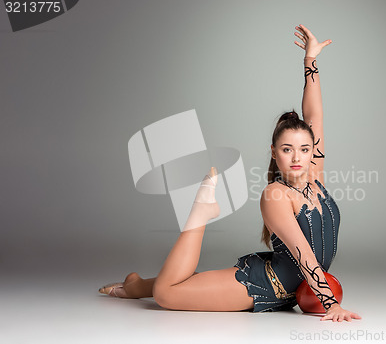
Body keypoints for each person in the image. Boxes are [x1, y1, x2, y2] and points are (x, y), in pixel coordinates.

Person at [99, 24, 361, 323]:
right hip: (266, 286)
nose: (297, 156)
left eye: (304, 148)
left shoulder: (315, 176)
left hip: (295, 292)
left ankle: (135, 286)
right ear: (274, 152)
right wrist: (331, 305)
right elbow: (304, 255)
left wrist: (309, 61)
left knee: (188, 284)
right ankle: (200, 213)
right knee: (167, 294)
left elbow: (315, 115)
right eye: (287, 149)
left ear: (312, 148)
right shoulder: (276, 195)